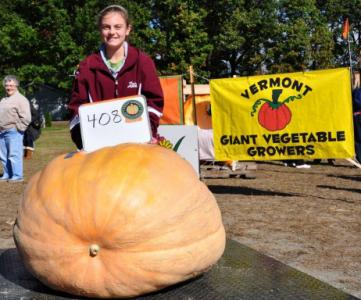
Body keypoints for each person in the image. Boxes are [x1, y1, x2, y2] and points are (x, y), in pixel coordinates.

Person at [68, 4, 164, 149]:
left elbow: (154, 102)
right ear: (100, 30)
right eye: (106, 27)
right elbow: (76, 108)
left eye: (118, 26)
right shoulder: (86, 67)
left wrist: (148, 132)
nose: (112, 32)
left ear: (128, 29)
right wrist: (84, 141)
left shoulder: (143, 62)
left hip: (138, 145)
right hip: (99, 149)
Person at [0, 75, 31, 182]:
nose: (9, 87)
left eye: (11, 85)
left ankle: (17, 176)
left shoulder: (21, 99)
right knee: (3, 156)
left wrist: (18, 129)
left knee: (14, 154)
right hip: (2, 131)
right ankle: (7, 174)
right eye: (7, 85)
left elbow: (26, 117)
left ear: (16, 86)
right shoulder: (4, 99)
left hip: (13, 131)